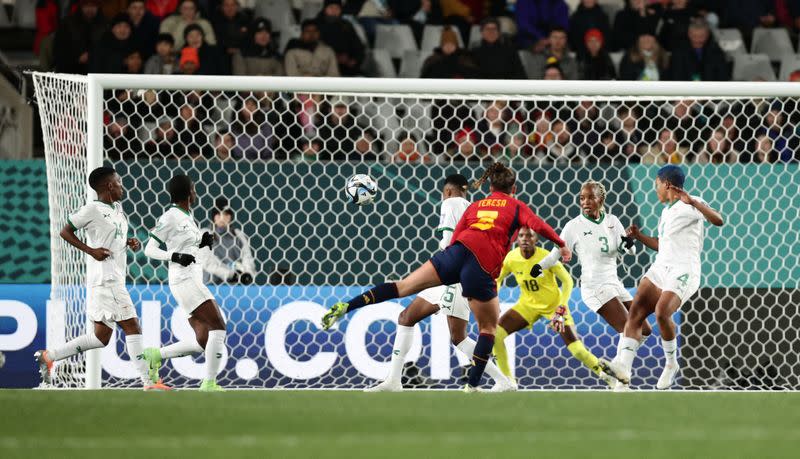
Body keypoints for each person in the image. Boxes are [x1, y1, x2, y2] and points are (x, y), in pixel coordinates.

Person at [321, 162, 571, 391]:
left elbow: (454, 238)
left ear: (449, 192)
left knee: (412, 302)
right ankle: (400, 380)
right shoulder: (498, 206)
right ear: (512, 187)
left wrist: (451, 264)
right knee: (425, 323)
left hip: (453, 266)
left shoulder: (459, 204)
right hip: (469, 268)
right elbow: (537, 224)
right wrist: (561, 244)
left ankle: (350, 309)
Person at [365, 175, 514, 392]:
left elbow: (446, 241)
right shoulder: (472, 208)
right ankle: (394, 381)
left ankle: (502, 380)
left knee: (459, 338)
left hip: (453, 275)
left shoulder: (450, 203)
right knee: (406, 318)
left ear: (448, 191)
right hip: (457, 274)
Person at [34, 167, 169, 391]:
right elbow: (65, 231)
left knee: (101, 338)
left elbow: (112, 238)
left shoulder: (117, 208)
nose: (122, 186)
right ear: (109, 186)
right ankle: (149, 382)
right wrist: (91, 250)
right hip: (107, 280)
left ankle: (50, 356)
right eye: (119, 182)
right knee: (133, 327)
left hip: (112, 278)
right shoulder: (92, 209)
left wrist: (129, 242)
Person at [612, 165, 724, 390]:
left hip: (684, 270)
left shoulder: (691, 203)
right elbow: (662, 245)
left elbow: (718, 220)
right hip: (661, 267)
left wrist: (693, 202)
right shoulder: (666, 212)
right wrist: (639, 235)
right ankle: (622, 376)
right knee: (635, 312)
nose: (656, 190)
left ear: (667, 184)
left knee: (663, 312)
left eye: (656, 185)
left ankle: (671, 364)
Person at [538, 180, 652, 389]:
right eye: (582, 198)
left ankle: (618, 367)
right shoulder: (574, 226)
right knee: (628, 327)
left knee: (644, 329)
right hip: (594, 286)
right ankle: (621, 379)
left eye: (591, 197)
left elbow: (628, 249)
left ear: (601, 199)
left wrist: (628, 244)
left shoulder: (612, 221)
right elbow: (556, 253)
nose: (586, 202)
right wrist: (540, 266)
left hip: (614, 283)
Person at [494, 227, 628, 389]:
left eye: (529, 236)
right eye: (521, 235)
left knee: (577, 350)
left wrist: (561, 307)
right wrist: (494, 298)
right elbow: (498, 279)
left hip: (554, 307)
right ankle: (507, 381)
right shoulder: (511, 258)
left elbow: (567, 281)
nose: (524, 239)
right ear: (516, 239)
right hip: (527, 305)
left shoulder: (546, 257)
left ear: (536, 240)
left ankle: (608, 377)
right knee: (496, 335)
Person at [142, 175, 228, 392]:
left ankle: (156, 355)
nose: (196, 193)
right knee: (218, 326)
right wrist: (174, 256)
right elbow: (149, 249)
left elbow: (190, 251)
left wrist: (204, 243)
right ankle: (209, 383)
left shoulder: (187, 216)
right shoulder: (170, 217)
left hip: (191, 278)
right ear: (189, 192)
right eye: (194, 189)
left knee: (202, 339)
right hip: (184, 280)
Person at [203, 205, 256, 285]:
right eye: (218, 214)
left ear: (230, 217)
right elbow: (208, 262)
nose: (222, 218)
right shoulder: (205, 234)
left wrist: (247, 273)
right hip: (210, 286)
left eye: (225, 214)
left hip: (234, 287)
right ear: (213, 217)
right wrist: (230, 274)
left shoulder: (238, 234)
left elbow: (247, 257)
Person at [54, 0, 107, 74]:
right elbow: (59, 51)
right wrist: (77, 58)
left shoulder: (104, 25)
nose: (89, 9)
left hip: (96, 71)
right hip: (70, 72)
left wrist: (92, 55)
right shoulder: (67, 24)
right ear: (81, 6)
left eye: (93, 6)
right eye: (86, 5)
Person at [317, 0, 365, 77]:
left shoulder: (346, 25)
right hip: (323, 68)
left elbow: (358, 46)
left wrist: (354, 60)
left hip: (348, 68)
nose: (334, 11)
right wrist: (335, 57)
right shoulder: (316, 25)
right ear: (325, 9)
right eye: (331, 8)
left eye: (337, 8)